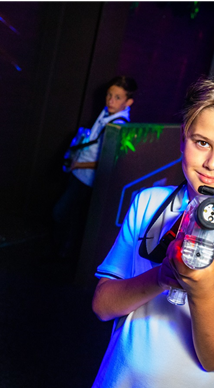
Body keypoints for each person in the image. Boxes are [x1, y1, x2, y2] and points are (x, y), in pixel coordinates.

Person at [86, 68, 214, 388]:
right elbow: (103, 306)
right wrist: (163, 276)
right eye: (202, 143)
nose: (213, 163)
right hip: (118, 386)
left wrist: (201, 291)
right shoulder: (147, 203)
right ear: (183, 138)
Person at [52, 76, 137, 260]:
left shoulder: (119, 126)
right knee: (71, 217)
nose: (110, 100)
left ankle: (63, 256)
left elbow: (109, 161)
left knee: (64, 214)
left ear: (128, 102)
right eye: (109, 95)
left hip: (87, 179)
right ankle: (62, 253)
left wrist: (79, 164)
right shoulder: (107, 112)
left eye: (117, 97)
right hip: (78, 173)